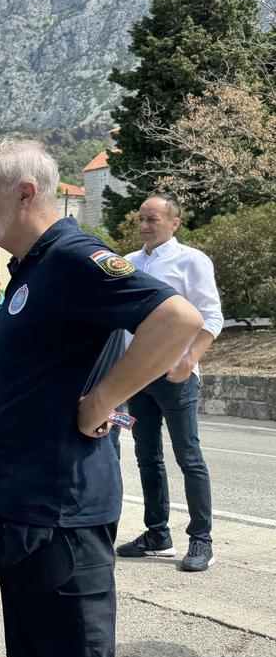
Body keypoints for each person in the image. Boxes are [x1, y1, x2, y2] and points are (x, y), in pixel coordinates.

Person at [0, 140, 203, 657]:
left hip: (58, 518)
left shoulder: (72, 257)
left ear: (23, 193)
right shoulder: (32, 268)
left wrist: (103, 400)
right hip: (22, 509)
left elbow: (176, 319)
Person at [116, 194, 223, 571]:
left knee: (189, 457)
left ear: (174, 223)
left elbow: (211, 316)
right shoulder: (128, 263)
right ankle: (157, 534)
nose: (145, 225)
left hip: (175, 376)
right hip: (137, 376)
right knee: (146, 457)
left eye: (153, 219)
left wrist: (188, 361)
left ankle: (201, 540)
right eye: (142, 219)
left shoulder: (192, 260)